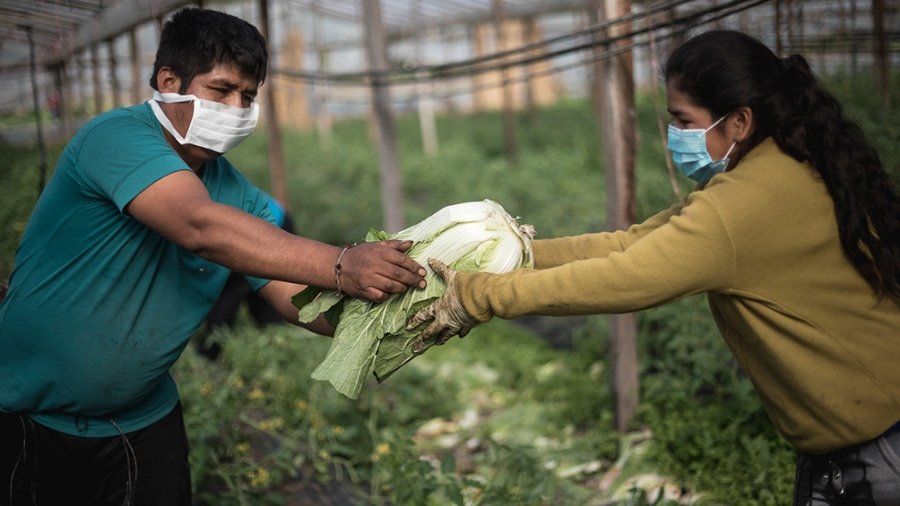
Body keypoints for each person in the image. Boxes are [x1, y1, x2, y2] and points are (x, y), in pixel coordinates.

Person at [409, 30, 900, 505]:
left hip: (877, 451)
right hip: (866, 440)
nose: (675, 137)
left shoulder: (745, 205)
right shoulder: (779, 170)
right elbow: (633, 243)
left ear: (739, 122)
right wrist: (522, 252)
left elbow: (628, 277)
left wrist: (478, 296)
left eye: (685, 122)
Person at [0, 8, 426, 506]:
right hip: (30, 420)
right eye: (221, 90)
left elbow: (294, 300)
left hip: (144, 424)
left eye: (247, 96)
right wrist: (343, 263)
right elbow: (197, 225)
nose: (236, 107)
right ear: (169, 81)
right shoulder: (115, 137)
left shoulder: (234, 193)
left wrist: (412, 316)